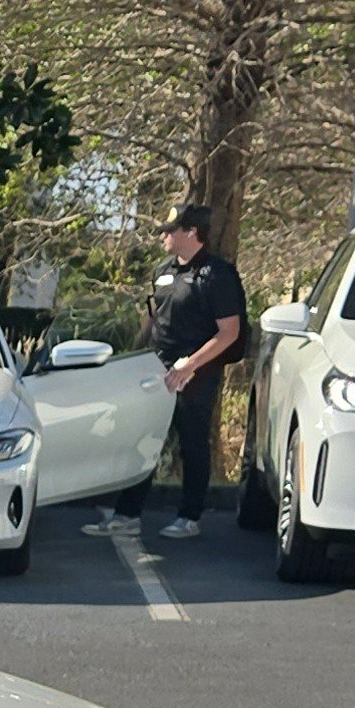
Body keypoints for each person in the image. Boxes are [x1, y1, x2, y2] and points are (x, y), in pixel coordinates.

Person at [134, 202, 249, 538]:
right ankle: (126, 513)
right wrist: (133, 357)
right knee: (143, 440)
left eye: (170, 231)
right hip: (157, 368)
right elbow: (152, 318)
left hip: (195, 373)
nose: (164, 237)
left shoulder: (216, 274)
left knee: (192, 442)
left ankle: (189, 516)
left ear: (191, 232)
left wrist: (191, 364)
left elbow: (230, 332)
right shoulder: (163, 270)